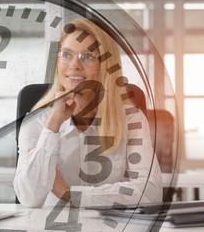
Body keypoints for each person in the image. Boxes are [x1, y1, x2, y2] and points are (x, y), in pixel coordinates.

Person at [13, 19, 162, 208]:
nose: (74, 65)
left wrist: (70, 194)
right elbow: (29, 198)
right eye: (66, 55)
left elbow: (151, 192)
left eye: (88, 56)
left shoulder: (132, 119)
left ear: (106, 66)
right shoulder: (36, 122)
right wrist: (53, 125)